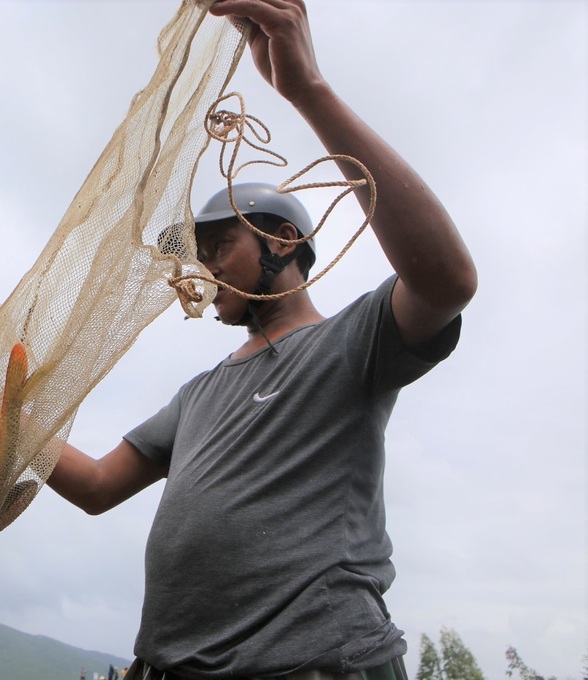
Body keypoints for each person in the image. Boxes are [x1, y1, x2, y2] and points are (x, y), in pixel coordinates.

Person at [44, 1, 477, 679]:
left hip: (313, 664)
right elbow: (99, 485)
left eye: (220, 245)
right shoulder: (198, 394)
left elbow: (447, 280)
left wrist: (308, 88)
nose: (205, 267)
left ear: (283, 242)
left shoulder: (350, 343)